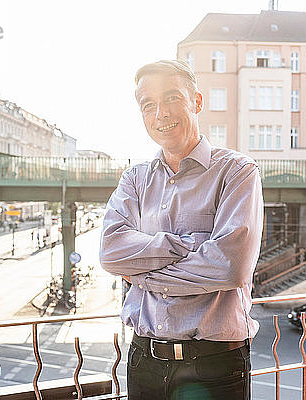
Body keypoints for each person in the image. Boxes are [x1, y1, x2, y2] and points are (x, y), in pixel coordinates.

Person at [99, 60, 264, 400]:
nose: (160, 112)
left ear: (197, 102)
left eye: (172, 98)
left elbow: (230, 267)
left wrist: (143, 275)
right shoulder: (135, 178)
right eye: (148, 104)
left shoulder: (236, 172)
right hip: (144, 360)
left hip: (215, 366)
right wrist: (190, 246)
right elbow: (111, 251)